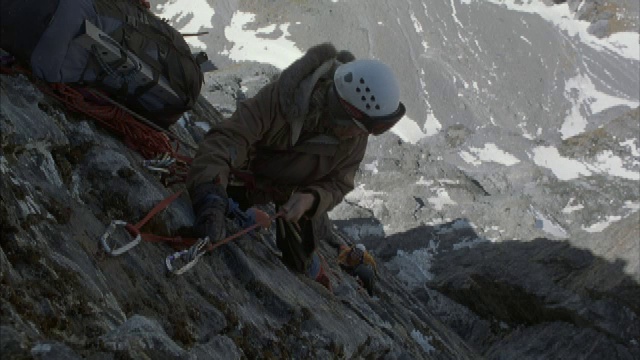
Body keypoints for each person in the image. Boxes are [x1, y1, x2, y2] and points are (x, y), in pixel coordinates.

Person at [186, 42, 405, 292]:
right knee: (215, 205)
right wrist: (210, 195)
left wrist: (310, 199)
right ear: (346, 110)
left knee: (301, 262)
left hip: (291, 195)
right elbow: (229, 139)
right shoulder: (284, 98)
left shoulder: (356, 134)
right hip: (244, 177)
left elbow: (338, 184)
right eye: (359, 126)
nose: (362, 134)